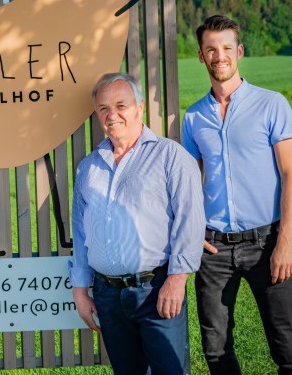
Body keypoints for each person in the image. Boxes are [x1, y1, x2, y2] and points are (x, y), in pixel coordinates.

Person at [182, 15, 292, 374]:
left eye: (225, 48)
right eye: (211, 50)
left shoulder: (272, 105)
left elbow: (291, 176)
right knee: (217, 350)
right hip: (214, 250)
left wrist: (284, 244)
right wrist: (193, 234)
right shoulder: (193, 118)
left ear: (238, 51)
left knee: (287, 350)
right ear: (201, 57)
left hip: (267, 242)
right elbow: (189, 186)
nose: (219, 56)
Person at [70, 72, 205, 374]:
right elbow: (80, 232)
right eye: (103, 108)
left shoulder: (170, 157)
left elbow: (190, 221)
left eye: (121, 105)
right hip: (107, 295)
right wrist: (80, 290)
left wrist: (177, 279)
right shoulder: (89, 167)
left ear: (140, 108)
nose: (112, 114)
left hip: (157, 290)